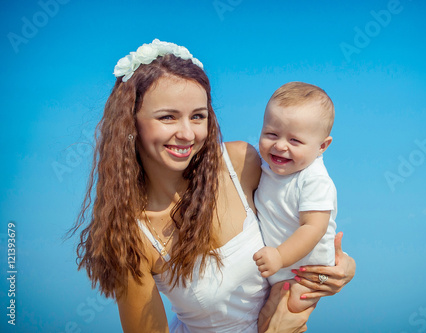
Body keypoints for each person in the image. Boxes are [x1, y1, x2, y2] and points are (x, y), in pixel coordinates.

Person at [70, 39, 355, 333]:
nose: (186, 133)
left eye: (198, 116)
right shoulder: (132, 237)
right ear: (130, 123)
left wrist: (338, 271)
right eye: (167, 116)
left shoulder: (241, 163)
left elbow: (300, 224)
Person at [253, 82, 338, 314]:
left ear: (322, 146)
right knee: (264, 316)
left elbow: (313, 228)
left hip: (308, 274)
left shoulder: (314, 179)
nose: (280, 145)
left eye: (295, 141)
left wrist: (279, 256)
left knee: (286, 311)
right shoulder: (264, 166)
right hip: (277, 269)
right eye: (271, 134)